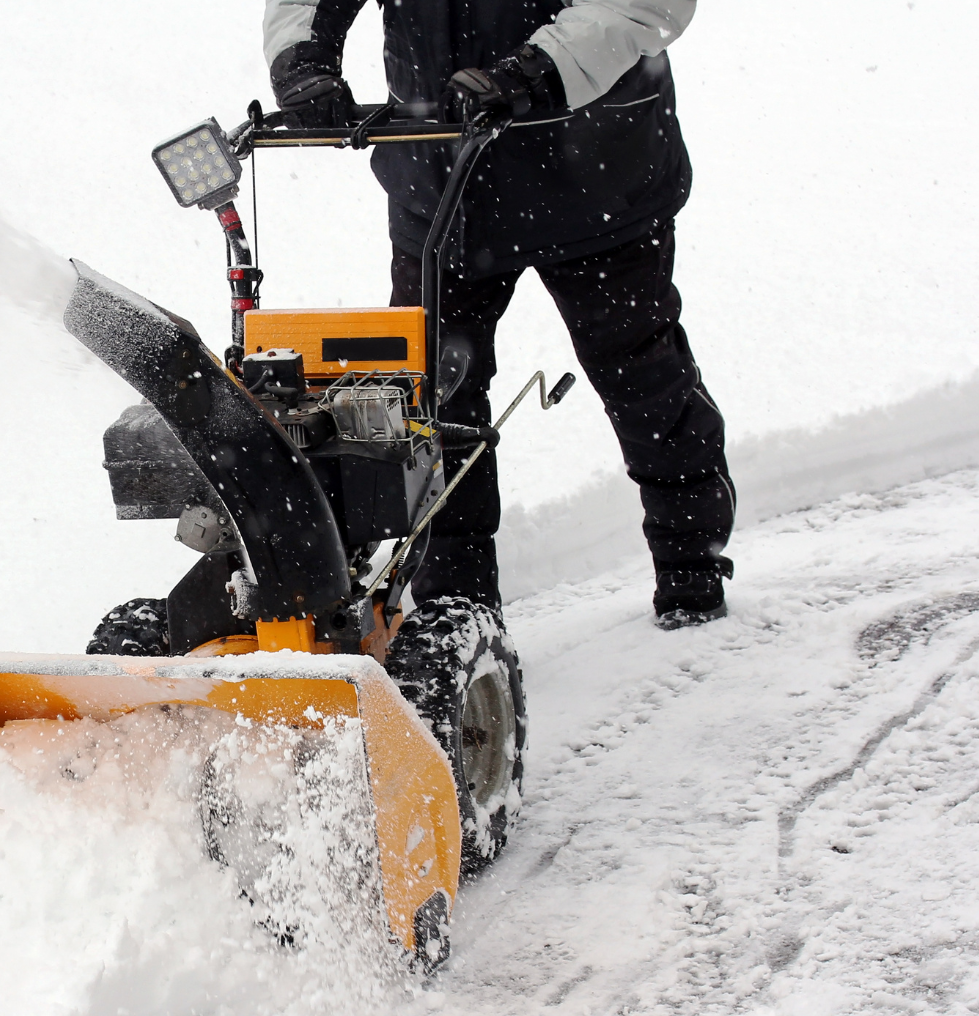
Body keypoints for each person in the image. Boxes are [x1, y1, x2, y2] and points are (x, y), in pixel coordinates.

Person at [263, 0, 735, 628]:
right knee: (432, 403)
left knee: (641, 376)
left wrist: (539, 68)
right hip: (440, 180)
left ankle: (690, 572)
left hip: (595, 179)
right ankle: (456, 613)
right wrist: (304, 57)